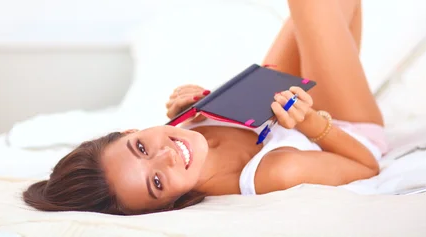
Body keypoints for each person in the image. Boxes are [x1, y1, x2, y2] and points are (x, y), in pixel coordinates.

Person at [23, 0, 389, 215]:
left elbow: (247, 112)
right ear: (170, 202)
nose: (166, 154)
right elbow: (366, 164)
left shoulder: (179, 130)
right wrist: (310, 123)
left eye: (141, 147)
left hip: (284, 108)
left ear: (132, 131)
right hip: (344, 131)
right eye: (156, 181)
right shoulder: (274, 173)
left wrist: (203, 105)